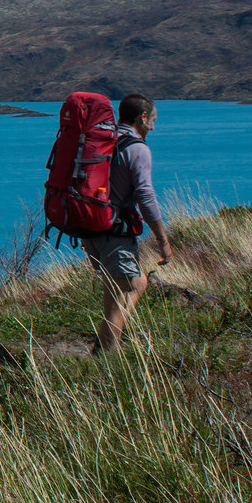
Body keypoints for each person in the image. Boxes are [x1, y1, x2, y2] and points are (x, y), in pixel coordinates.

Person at [86, 94, 172, 353]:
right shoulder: (137, 149)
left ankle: (99, 350)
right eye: (152, 120)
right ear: (142, 118)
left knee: (122, 288)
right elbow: (146, 197)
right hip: (114, 230)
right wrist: (163, 241)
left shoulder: (101, 141)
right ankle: (106, 359)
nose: (154, 127)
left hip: (89, 227)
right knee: (127, 290)